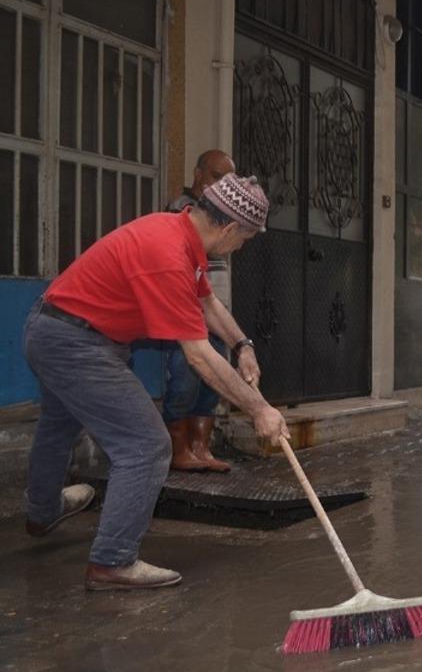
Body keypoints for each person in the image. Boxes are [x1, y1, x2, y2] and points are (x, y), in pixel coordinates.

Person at [23, 173, 289, 591]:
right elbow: (198, 355)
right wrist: (259, 409)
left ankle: (42, 511)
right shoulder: (167, 254)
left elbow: (206, 302)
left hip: (57, 330)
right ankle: (113, 561)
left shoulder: (182, 233)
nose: (240, 248)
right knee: (146, 446)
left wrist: (242, 346)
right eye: (245, 240)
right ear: (231, 227)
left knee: (59, 424)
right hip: (76, 343)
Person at [163, 150, 236, 473]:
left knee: (212, 383)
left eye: (228, 179)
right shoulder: (184, 208)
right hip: (186, 315)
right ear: (197, 173)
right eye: (216, 176)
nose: (221, 185)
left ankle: (201, 449)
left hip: (215, 315)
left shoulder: (221, 215)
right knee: (184, 381)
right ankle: (178, 451)